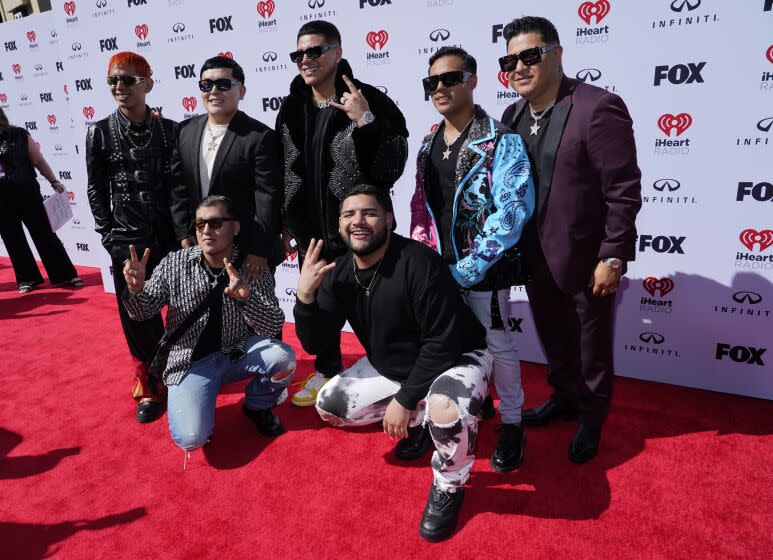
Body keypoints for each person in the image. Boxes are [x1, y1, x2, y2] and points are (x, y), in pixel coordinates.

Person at [294, 186, 492, 542]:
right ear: (339, 225)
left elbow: (442, 343)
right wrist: (306, 296)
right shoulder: (339, 271)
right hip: (396, 368)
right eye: (348, 215)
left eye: (368, 213)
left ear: (388, 219)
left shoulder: (418, 262)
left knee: (446, 408)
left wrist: (404, 399)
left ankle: (450, 483)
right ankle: (422, 418)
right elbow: (313, 342)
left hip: (458, 357)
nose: (358, 221)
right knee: (330, 406)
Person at [500, 16, 642, 463]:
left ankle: (592, 416)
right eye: (510, 59)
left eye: (530, 55)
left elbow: (622, 191)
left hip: (585, 257)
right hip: (534, 257)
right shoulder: (512, 115)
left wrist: (614, 256)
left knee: (590, 345)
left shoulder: (598, 107)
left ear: (557, 53)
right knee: (554, 336)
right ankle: (563, 398)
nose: (519, 67)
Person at [410, 46, 535, 473]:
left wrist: (467, 269)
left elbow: (513, 211)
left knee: (497, 344)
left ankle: (514, 423)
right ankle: (454, 416)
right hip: (438, 268)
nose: (440, 88)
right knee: (445, 344)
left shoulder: (501, 139)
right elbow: (419, 206)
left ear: (473, 81)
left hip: (484, 269)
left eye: (450, 78)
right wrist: (426, 260)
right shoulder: (427, 142)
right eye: (432, 82)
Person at [277, 20, 409, 406]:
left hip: (360, 233)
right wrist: (286, 222)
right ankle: (328, 369)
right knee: (318, 310)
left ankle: (398, 374)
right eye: (299, 54)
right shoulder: (292, 106)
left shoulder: (366, 98)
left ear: (337, 52)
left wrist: (364, 121)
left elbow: (392, 166)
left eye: (315, 51)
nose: (306, 59)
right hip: (312, 235)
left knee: (377, 310)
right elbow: (284, 166)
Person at [122, 196, 294, 452]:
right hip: (189, 364)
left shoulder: (252, 267)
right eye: (200, 224)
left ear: (235, 227)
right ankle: (199, 402)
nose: (205, 231)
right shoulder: (175, 264)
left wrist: (247, 299)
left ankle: (257, 405)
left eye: (214, 223)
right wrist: (136, 290)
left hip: (235, 353)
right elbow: (141, 312)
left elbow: (272, 326)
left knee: (284, 358)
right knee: (191, 439)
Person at [86, 51, 178, 423]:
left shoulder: (170, 129)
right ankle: (151, 384)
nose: (119, 87)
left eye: (127, 80)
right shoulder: (99, 131)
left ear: (148, 84)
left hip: (170, 236)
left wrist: (185, 234)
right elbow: (95, 189)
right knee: (137, 315)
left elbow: (179, 187)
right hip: (126, 239)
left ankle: (182, 369)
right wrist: (109, 236)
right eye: (112, 81)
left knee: (182, 305)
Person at [170, 55, 281, 290]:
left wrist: (259, 250)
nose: (213, 91)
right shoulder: (185, 131)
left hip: (246, 250)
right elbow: (178, 187)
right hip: (201, 245)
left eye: (223, 84)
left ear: (241, 91)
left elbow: (268, 200)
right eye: (206, 85)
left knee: (256, 320)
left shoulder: (260, 137)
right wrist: (184, 232)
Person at [0, 107, 82, 293]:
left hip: (27, 193)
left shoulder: (20, 134)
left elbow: (39, 161)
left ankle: (65, 274)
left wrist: (53, 180)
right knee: (13, 239)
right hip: (2, 199)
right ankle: (27, 279)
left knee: (44, 233)